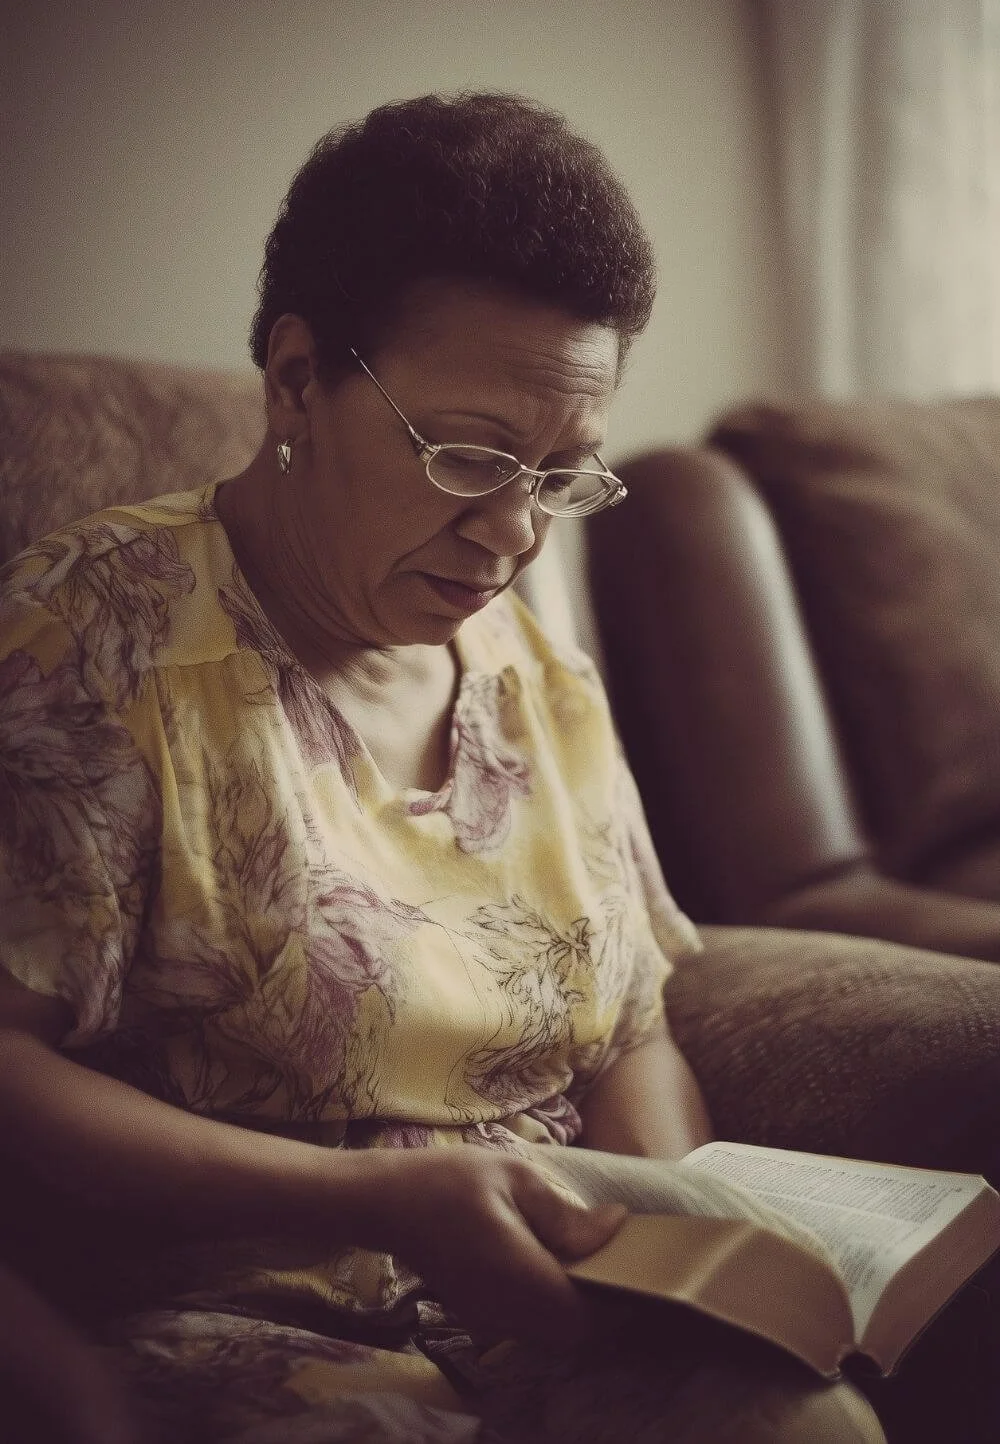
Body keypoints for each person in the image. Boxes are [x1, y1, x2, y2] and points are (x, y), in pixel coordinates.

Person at [0, 92, 884, 1442]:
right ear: (298, 379)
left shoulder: (540, 676)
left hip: (555, 1298)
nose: (516, 530)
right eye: (469, 455)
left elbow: (631, 1029)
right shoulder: (98, 632)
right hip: (250, 1307)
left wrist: (704, 1254)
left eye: (561, 472)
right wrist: (366, 1204)